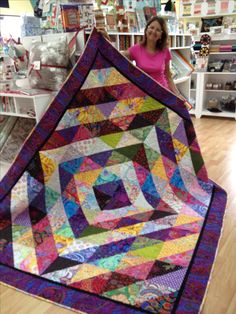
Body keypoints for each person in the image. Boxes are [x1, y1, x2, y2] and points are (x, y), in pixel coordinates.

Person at [98, 16, 186, 102]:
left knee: (163, 117)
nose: (154, 31)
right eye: (151, 27)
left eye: (158, 30)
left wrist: (178, 95)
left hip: (161, 95)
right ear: (146, 30)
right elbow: (116, 57)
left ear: (161, 35)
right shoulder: (136, 49)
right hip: (142, 96)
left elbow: (168, 77)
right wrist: (107, 39)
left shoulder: (165, 51)